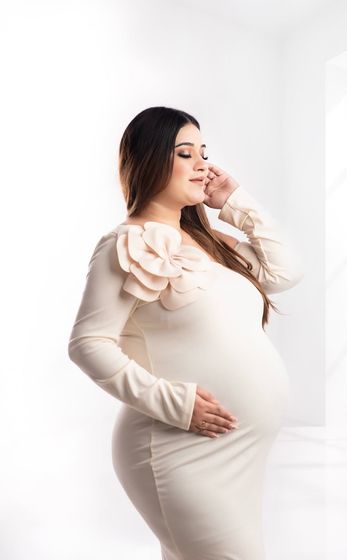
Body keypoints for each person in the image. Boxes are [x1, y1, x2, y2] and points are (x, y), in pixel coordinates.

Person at [68, 106, 304, 560]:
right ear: (149, 159)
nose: (203, 165)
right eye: (184, 153)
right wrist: (175, 403)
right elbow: (88, 344)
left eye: (204, 152)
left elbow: (286, 270)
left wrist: (235, 201)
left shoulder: (211, 242)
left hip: (240, 455)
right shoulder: (127, 242)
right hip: (178, 449)